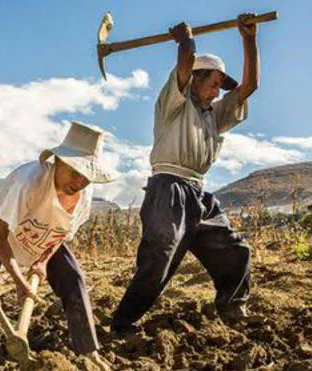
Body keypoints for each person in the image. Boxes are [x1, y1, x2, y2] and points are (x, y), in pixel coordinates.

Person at [111, 13, 260, 336]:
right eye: (213, 84)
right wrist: (185, 41)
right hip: (168, 188)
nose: (219, 93)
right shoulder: (174, 103)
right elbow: (186, 61)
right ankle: (123, 323)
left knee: (236, 252)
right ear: (194, 79)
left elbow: (249, 86)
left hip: (199, 194)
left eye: (220, 86)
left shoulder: (214, 114)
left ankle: (233, 308)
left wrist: (249, 40)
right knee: (159, 258)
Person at [0, 122, 114, 369]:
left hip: (41, 240)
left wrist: (42, 263)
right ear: (58, 161)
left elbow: (60, 236)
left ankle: (88, 351)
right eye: (74, 171)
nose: (79, 181)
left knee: (74, 280)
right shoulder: (30, 182)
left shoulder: (83, 200)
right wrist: (19, 281)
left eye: (86, 176)